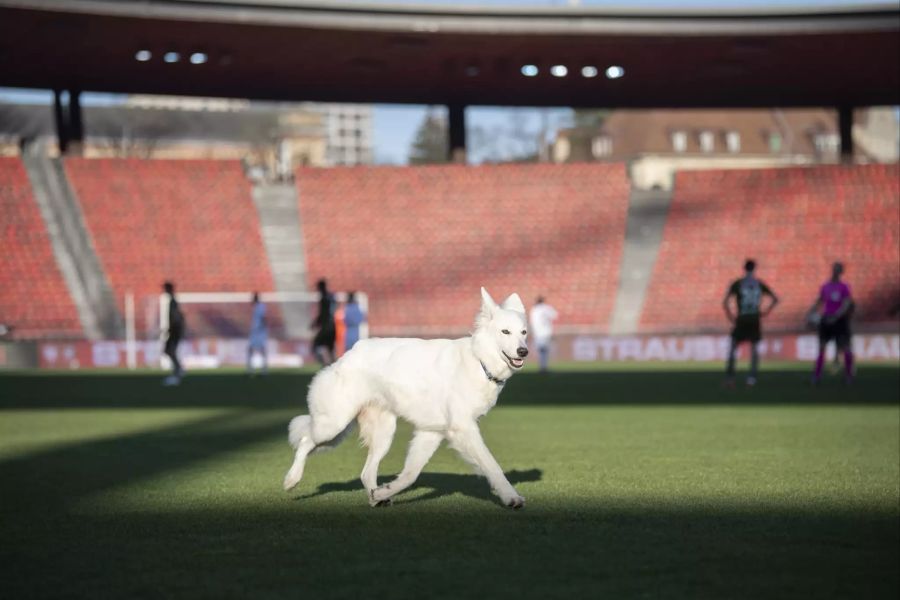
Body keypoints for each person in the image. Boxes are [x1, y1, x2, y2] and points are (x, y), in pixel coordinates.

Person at [722, 259, 778, 387]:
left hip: (742, 319)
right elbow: (775, 299)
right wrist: (765, 312)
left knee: (732, 347)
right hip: (755, 319)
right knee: (754, 349)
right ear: (754, 269)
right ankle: (751, 378)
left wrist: (731, 316)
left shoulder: (738, 284)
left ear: (744, 268)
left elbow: (725, 303)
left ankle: (730, 378)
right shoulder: (759, 284)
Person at [808, 262, 855, 385]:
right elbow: (820, 300)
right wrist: (811, 311)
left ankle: (849, 375)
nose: (835, 272)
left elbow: (846, 303)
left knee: (846, 347)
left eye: (838, 270)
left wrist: (837, 315)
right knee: (822, 347)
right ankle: (817, 375)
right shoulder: (825, 286)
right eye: (834, 269)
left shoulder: (844, 287)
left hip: (839, 321)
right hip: (827, 319)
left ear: (841, 272)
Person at [162, 281, 185, 386]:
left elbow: (176, 317)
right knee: (169, 351)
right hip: (175, 329)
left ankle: (177, 373)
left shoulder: (173, 301)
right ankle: (178, 370)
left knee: (170, 350)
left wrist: (172, 328)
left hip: (175, 330)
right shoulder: (173, 300)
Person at [529, 296, 558, 373]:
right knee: (544, 351)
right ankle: (543, 367)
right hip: (546, 332)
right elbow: (555, 315)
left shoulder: (534, 309)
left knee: (541, 350)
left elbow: (532, 322)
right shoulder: (546, 308)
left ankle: (542, 367)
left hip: (538, 333)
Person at [310, 278, 336, 366]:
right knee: (330, 348)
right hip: (333, 326)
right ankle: (333, 365)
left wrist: (315, 323)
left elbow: (323, 313)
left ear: (321, 287)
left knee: (316, 345)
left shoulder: (324, 298)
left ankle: (326, 364)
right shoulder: (331, 297)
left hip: (326, 326)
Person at [247, 292, 268, 375]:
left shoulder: (261, 306)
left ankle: (263, 370)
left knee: (261, 350)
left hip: (259, 331)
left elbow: (263, 318)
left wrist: (261, 328)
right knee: (251, 350)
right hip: (256, 331)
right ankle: (252, 370)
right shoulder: (256, 307)